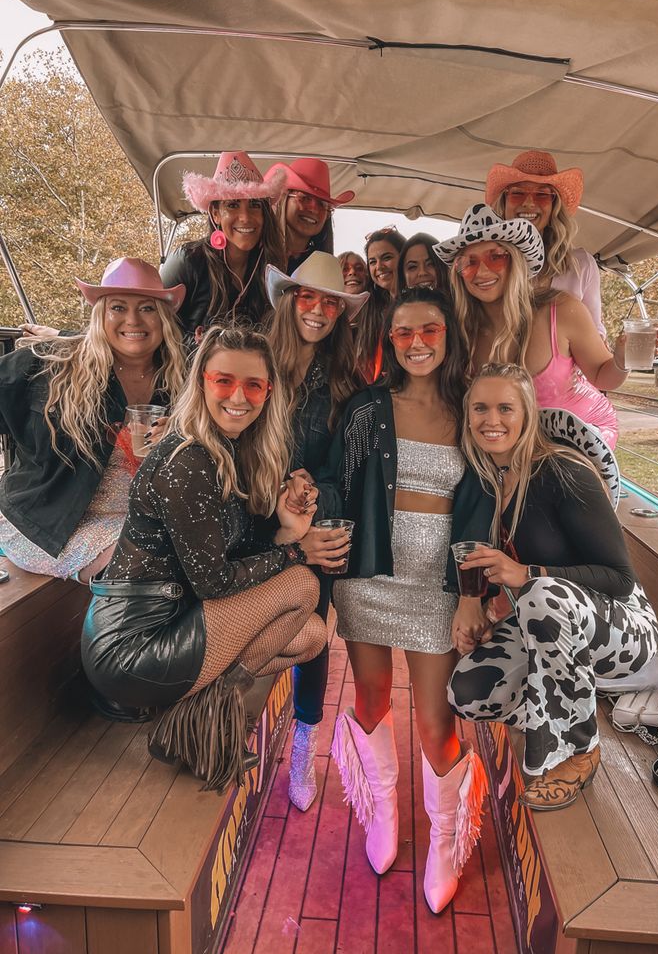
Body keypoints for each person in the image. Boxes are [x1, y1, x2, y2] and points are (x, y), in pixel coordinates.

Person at [82, 326, 328, 792]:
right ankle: (202, 712)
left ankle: (194, 712)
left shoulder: (229, 451)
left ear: (268, 391)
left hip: (176, 622)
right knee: (304, 586)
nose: (240, 396)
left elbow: (229, 566)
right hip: (132, 646)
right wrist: (296, 551)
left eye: (254, 384)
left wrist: (286, 530)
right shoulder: (188, 459)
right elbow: (215, 583)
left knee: (313, 634)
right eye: (224, 381)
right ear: (201, 384)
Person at [325, 286, 487, 915]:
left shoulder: (472, 408)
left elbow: (483, 506)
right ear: (387, 341)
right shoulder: (367, 407)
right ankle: (381, 812)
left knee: (435, 720)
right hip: (368, 578)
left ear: (448, 335)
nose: (417, 343)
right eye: (402, 333)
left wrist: (472, 593)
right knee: (368, 698)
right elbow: (339, 486)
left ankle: (447, 836)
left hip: (437, 590)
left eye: (430, 330)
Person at [447, 362, 658, 810]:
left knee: (543, 596)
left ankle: (578, 748)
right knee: (467, 693)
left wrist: (527, 577)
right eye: (480, 408)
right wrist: (481, 607)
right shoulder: (487, 478)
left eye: (506, 408)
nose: (492, 420)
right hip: (544, 621)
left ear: (527, 414)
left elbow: (620, 580)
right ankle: (557, 707)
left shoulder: (564, 472)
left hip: (622, 629)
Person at [0, 257, 187, 583]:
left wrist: (182, 436)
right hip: (50, 525)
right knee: (152, 563)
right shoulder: (52, 365)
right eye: (117, 308)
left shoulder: (179, 380)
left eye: (147, 308)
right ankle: (109, 635)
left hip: (137, 519)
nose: (132, 320)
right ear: (101, 315)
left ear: (163, 318)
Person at [266, 251, 369, 811]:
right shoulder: (255, 359)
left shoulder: (345, 383)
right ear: (288, 300)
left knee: (314, 623)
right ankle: (221, 722)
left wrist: (314, 490)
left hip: (311, 516)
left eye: (331, 302)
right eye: (308, 296)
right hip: (250, 513)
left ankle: (305, 738)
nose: (318, 310)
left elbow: (347, 473)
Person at [435, 203, 649, 448]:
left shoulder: (561, 309)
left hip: (577, 437)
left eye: (496, 257)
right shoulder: (461, 329)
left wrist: (623, 359)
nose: (482, 271)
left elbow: (603, 377)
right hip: (507, 445)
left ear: (515, 261)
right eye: (469, 262)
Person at [160, 151, 286, 339]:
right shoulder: (187, 260)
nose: (245, 217)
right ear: (215, 214)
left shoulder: (270, 265)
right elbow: (156, 327)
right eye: (233, 205)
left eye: (254, 205)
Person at [485, 150, 605, 336]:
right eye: (518, 193)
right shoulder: (484, 262)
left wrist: (625, 355)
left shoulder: (581, 265)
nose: (529, 203)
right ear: (504, 202)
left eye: (542, 195)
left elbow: (596, 337)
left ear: (554, 206)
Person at [265, 158, 355, 273]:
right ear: (283, 200)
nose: (314, 209)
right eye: (304, 198)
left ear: (328, 215)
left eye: (322, 204)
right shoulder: (257, 253)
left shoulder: (325, 269)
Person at [355, 227, 407, 383]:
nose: (379, 267)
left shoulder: (421, 305)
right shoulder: (372, 309)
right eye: (372, 262)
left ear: (404, 258)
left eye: (387, 257)